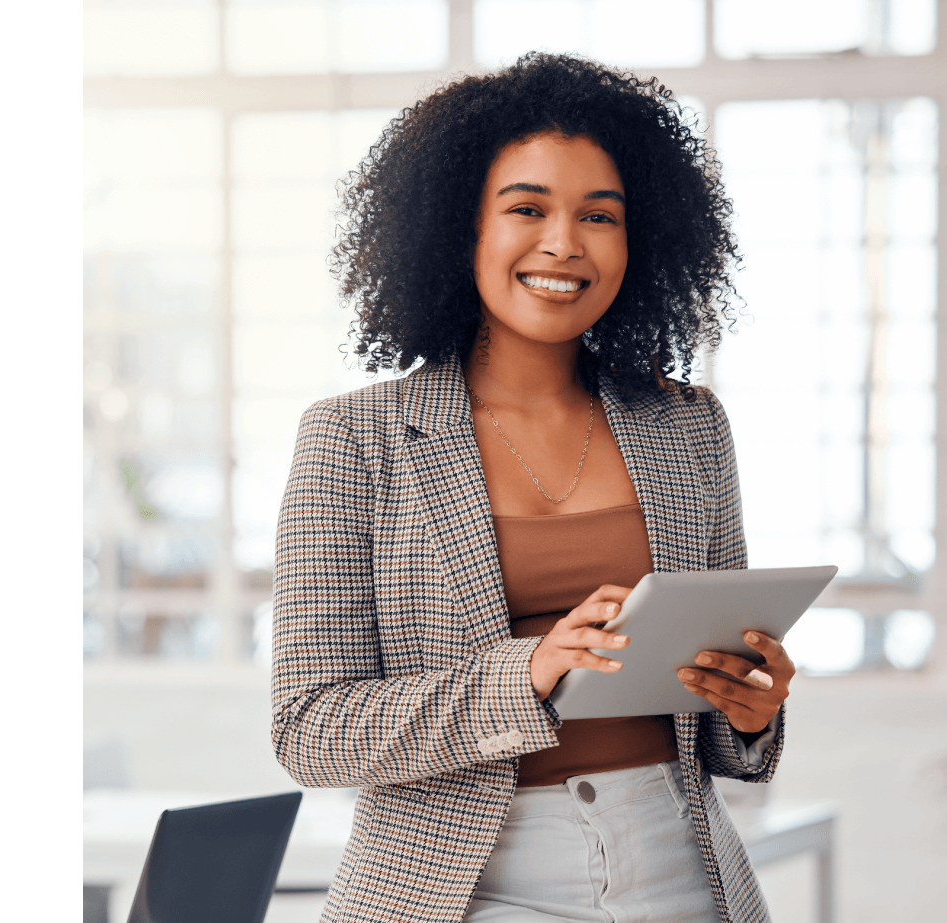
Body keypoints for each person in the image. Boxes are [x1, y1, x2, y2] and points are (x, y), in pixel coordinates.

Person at [270, 52, 795, 923]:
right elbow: (309, 727)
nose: (564, 243)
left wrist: (750, 709)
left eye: (600, 215)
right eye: (527, 209)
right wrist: (531, 670)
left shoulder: (690, 424)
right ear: (458, 226)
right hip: (462, 886)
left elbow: (722, 719)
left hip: (681, 870)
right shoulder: (353, 438)